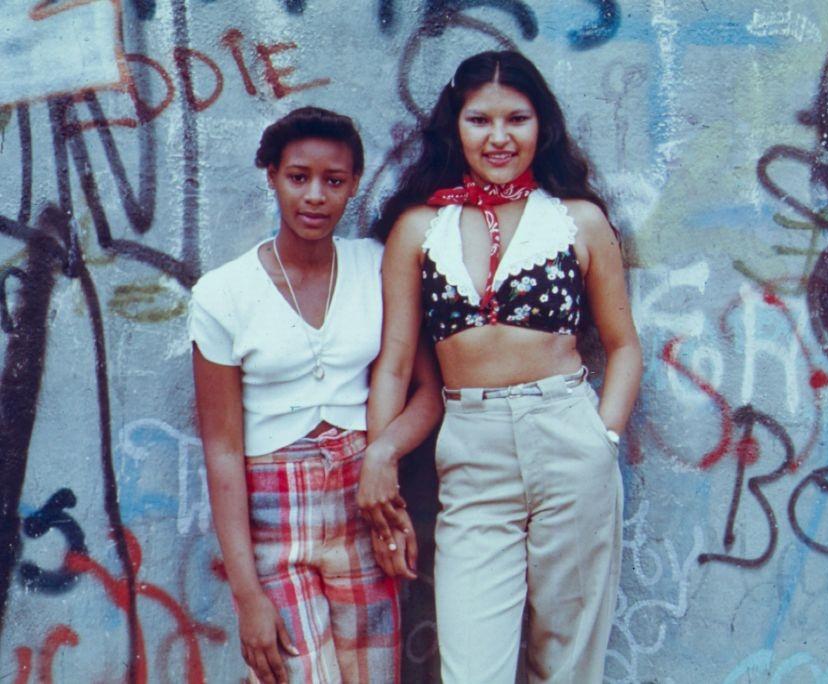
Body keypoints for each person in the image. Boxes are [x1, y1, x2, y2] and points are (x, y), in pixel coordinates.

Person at [363, 51, 642, 682]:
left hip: (570, 439)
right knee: (472, 668)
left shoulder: (578, 220)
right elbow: (394, 365)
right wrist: (380, 462)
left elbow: (624, 346)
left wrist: (604, 438)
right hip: (471, 453)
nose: (498, 137)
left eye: (517, 118)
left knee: (566, 662)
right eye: (479, 120)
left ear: (541, 125)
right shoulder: (418, 228)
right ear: (454, 127)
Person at [190, 106, 439, 684]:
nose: (315, 197)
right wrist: (247, 595)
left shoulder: (377, 266)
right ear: (272, 175)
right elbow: (222, 450)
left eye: (334, 180)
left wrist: (383, 457)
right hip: (274, 513)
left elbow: (428, 393)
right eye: (298, 177)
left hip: (365, 503)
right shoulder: (223, 294)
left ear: (353, 183)